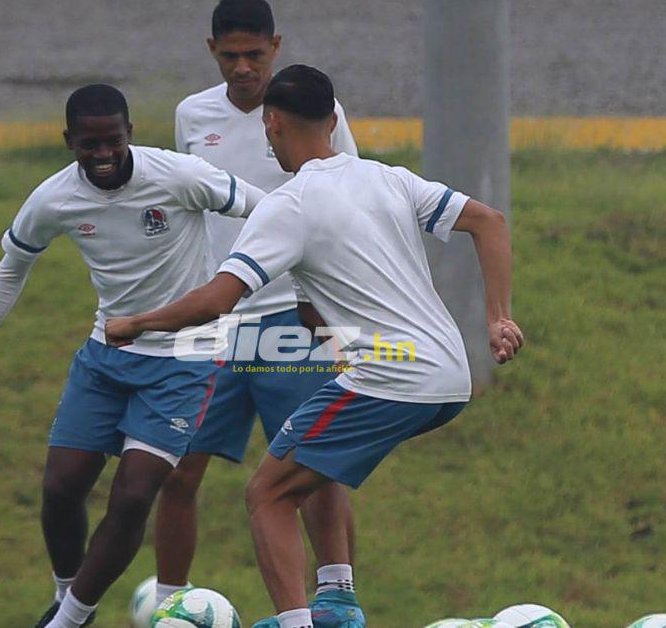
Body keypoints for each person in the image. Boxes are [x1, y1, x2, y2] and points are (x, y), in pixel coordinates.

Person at [105, 64, 523, 628]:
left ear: (272, 124)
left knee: (267, 495)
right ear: (332, 120)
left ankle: (306, 621)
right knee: (307, 460)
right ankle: (337, 600)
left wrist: (136, 325)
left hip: (392, 380)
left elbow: (215, 303)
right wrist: (498, 318)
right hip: (448, 378)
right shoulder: (388, 178)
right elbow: (489, 221)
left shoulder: (289, 204)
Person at [0, 83, 266, 628]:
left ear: (130, 135)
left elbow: (269, 212)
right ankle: (70, 598)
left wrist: (254, 281)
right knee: (60, 486)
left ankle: (67, 620)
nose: (102, 155)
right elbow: (9, 271)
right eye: (88, 144)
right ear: (69, 140)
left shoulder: (179, 176)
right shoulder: (54, 199)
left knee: (134, 495)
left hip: (186, 357)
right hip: (106, 355)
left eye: (112, 141)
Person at [146, 0, 363, 626]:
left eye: (254, 54)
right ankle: (170, 606)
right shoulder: (192, 115)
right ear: (212, 51)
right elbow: (188, 200)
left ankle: (338, 595)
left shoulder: (313, 111)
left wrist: (329, 301)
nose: (243, 67)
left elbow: (345, 196)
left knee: (313, 466)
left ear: (276, 47)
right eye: (231, 55)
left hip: (293, 316)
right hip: (213, 324)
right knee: (177, 469)